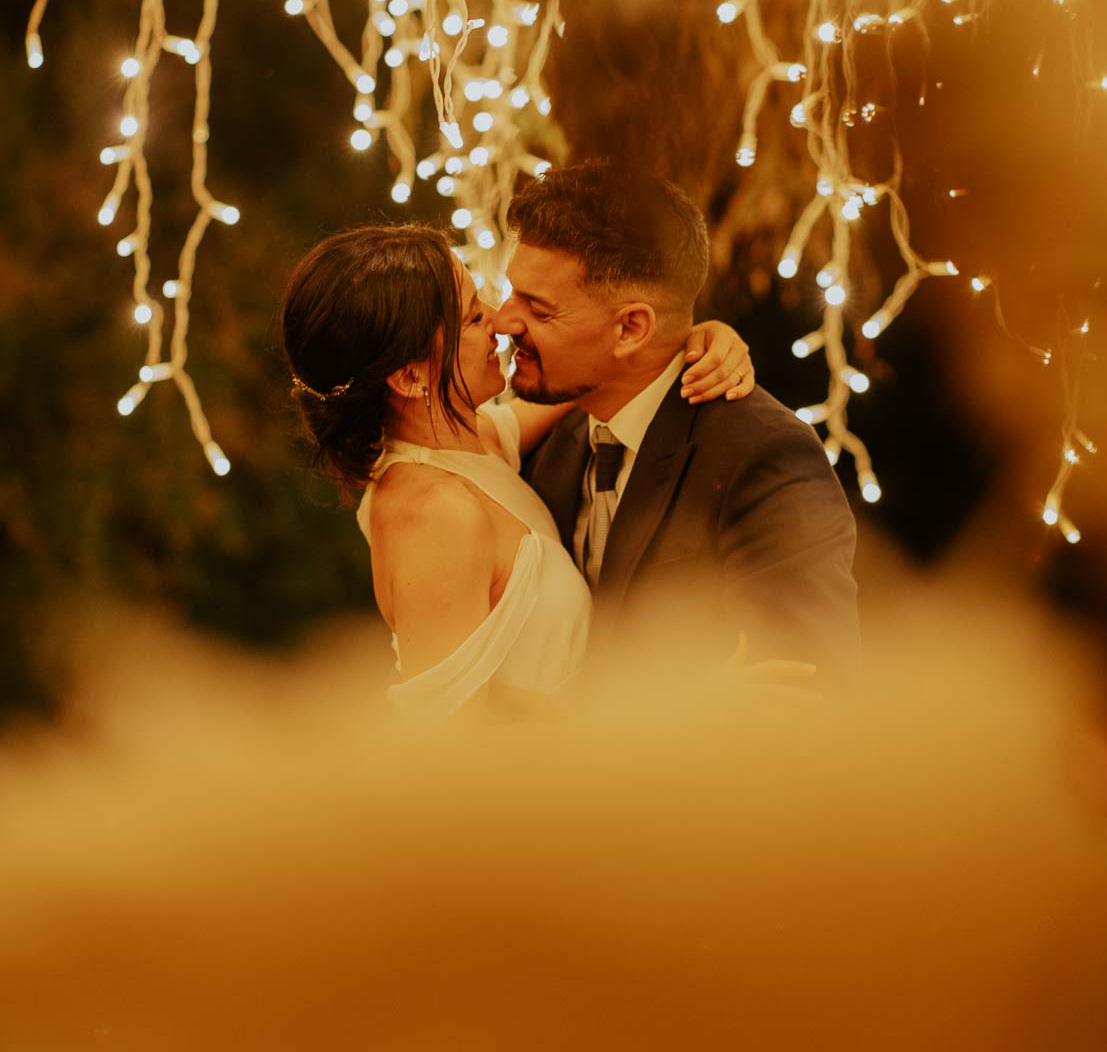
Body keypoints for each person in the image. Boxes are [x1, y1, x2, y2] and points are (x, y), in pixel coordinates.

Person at [280, 223, 755, 721]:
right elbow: (460, 738)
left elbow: (587, 374)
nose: (498, 320)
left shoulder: (471, 442)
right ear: (410, 376)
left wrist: (698, 340)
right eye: (469, 317)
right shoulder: (434, 515)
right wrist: (688, 710)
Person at [498, 162, 860, 680]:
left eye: (538, 308)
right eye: (513, 293)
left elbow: (809, 682)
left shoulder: (763, 455)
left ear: (631, 328)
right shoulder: (554, 432)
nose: (505, 320)